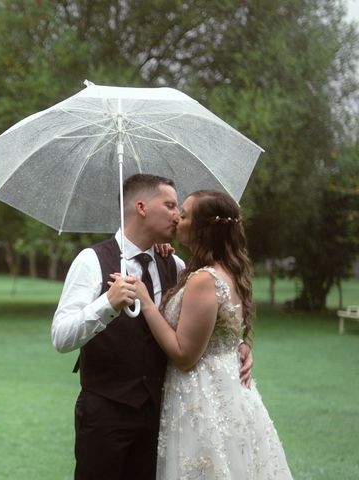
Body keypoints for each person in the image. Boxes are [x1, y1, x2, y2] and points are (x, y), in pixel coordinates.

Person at [51, 175, 253, 480]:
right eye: (170, 205)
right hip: (106, 414)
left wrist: (238, 345)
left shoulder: (177, 266)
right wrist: (107, 303)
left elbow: (209, 321)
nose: (177, 215)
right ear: (142, 207)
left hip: (163, 413)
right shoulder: (91, 260)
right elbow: (61, 337)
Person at [130, 189, 292, 479]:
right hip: (226, 384)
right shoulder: (224, 270)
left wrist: (145, 302)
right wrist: (240, 345)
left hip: (203, 394)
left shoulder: (204, 280)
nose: (178, 217)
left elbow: (184, 355)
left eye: (186, 214)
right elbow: (222, 331)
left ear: (203, 228)